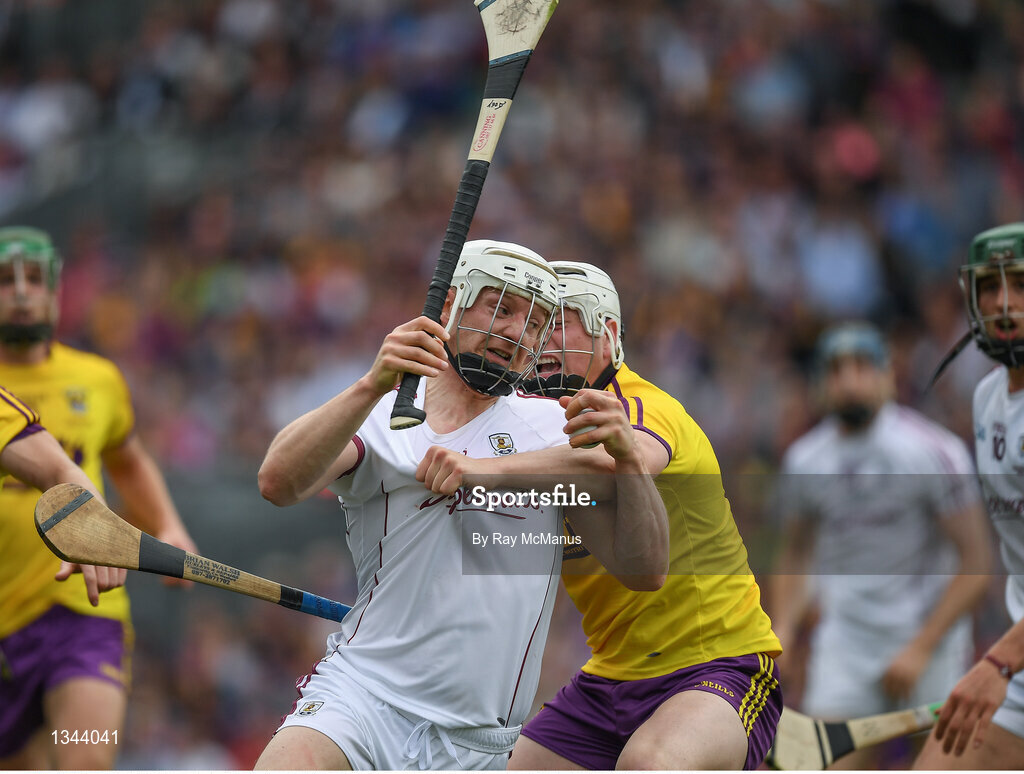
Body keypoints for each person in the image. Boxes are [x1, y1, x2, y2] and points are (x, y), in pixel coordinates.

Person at [254, 240, 667, 771]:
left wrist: (629, 461)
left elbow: (645, 568)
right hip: (361, 702)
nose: (518, 331)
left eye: (537, 321)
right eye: (501, 307)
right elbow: (278, 482)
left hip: (481, 745)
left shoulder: (552, 428)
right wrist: (369, 384)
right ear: (449, 305)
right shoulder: (386, 413)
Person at [431, 260, 780, 770]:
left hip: (718, 667)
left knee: (650, 765)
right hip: (607, 682)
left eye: (561, 322)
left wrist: (476, 469)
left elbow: (607, 462)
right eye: (536, 325)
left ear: (607, 332)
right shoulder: (531, 433)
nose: (543, 339)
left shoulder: (640, 406)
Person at [0, 226, 196, 770]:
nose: (19, 293)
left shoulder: (97, 378)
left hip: (83, 613)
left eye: (34, 280)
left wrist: (168, 526)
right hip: (3, 623)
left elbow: (127, 461)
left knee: (83, 760)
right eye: (4, 282)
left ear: (56, 291)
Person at [772, 321, 992, 769]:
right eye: (835, 369)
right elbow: (795, 553)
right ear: (820, 383)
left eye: (861, 366)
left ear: (888, 375)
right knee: (820, 764)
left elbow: (976, 561)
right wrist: (784, 632)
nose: (849, 380)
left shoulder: (932, 451)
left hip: (926, 641)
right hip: (845, 645)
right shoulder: (805, 460)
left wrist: (921, 647)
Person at [913, 223, 1024, 769]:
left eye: (1022, 285)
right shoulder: (987, 397)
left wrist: (999, 663)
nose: (1004, 304)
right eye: (989, 287)